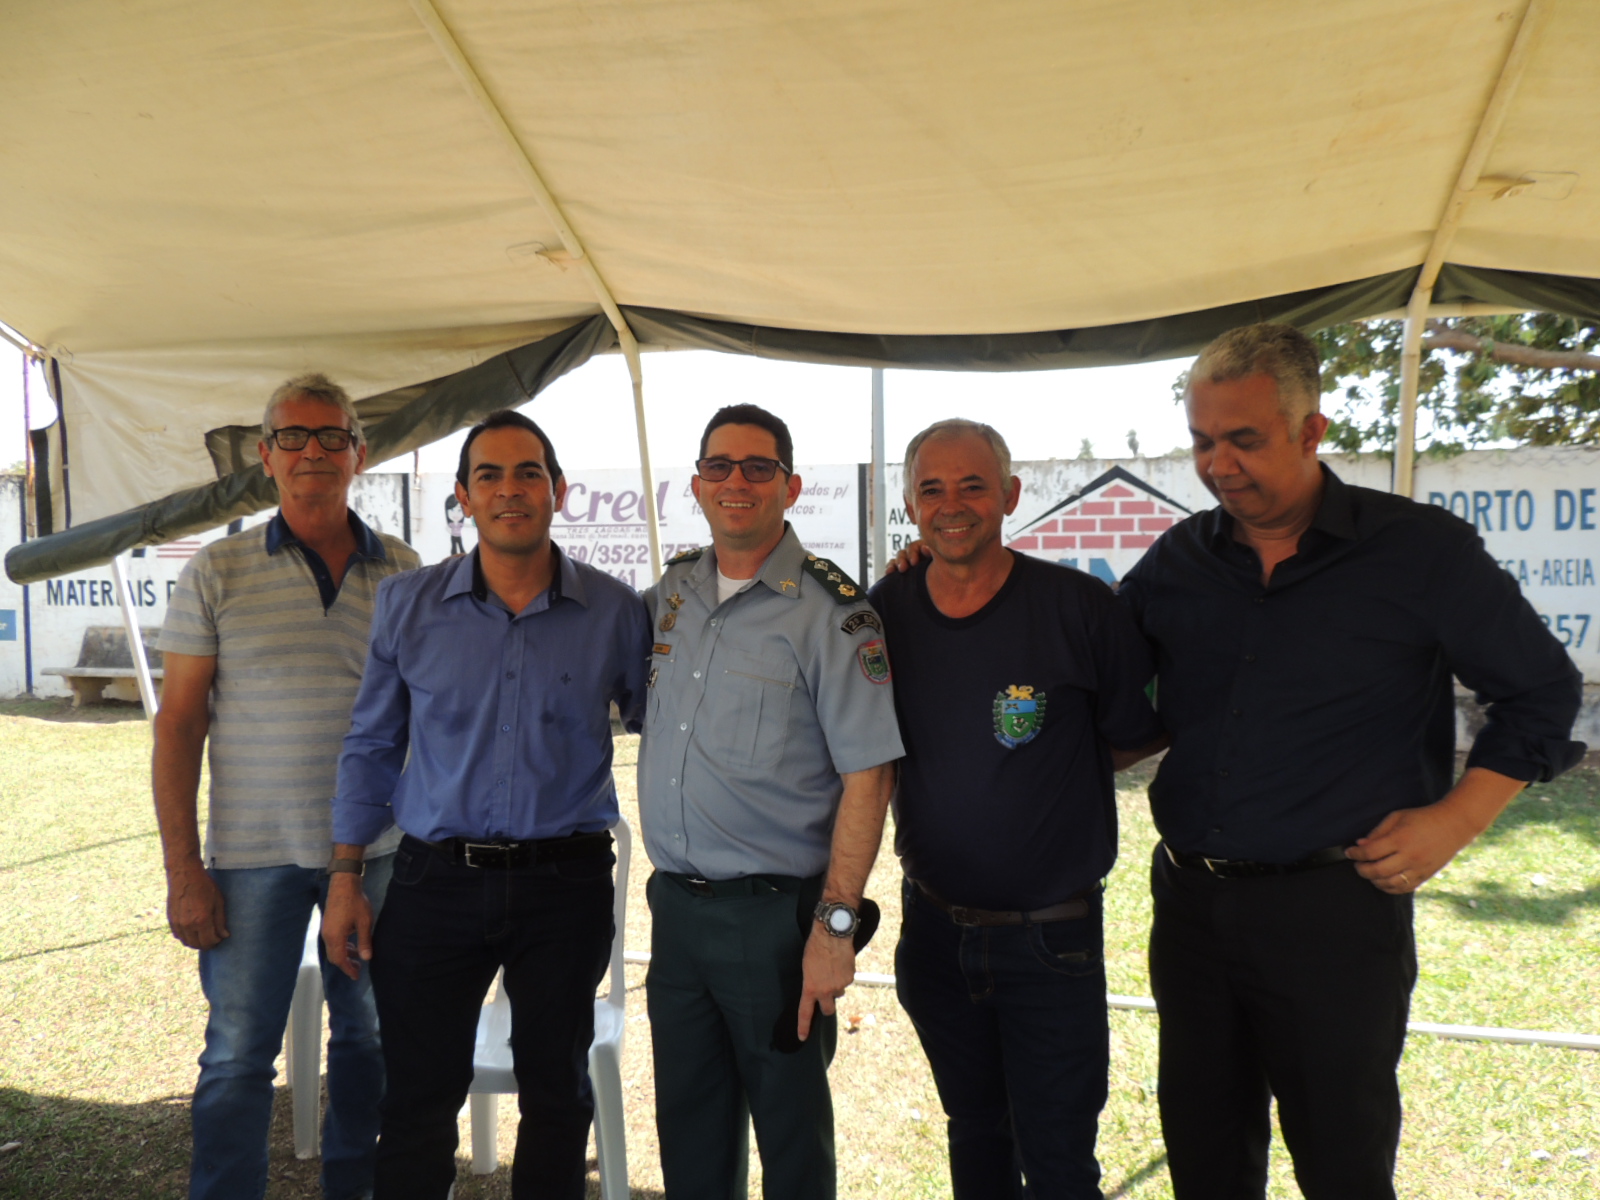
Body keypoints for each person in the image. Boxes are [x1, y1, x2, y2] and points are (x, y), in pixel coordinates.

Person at [1116, 322, 1586, 1199]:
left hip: (1335, 915)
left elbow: (1542, 693)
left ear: (1310, 432)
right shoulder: (1180, 559)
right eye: (1203, 441)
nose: (1219, 465)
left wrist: (1457, 818)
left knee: (1343, 1164)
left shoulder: (1420, 551)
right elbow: (1092, 665)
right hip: (1191, 907)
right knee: (1205, 1161)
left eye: (1244, 439)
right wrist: (948, 565)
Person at [323, 408, 650, 1200]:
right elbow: (372, 743)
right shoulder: (407, 604)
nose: (510, 490)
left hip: (565, 886)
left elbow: (665, 725)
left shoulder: (615, 612)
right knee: (416, 1100)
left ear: (559, 490)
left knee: (558, 1097)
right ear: (463, 497)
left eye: (528, 473)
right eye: (489, 476)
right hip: (434, 884)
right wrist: (345, 874)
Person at [868, 418, 1165, 1199]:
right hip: (935, 933)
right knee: (975, 1133)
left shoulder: (1078, 606)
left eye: (972, 486)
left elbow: (1133, 734)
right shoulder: (888, 607)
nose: (951, 505)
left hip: (1050, 941)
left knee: (1060, 1164)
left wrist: (1049, 774)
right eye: (932, 489)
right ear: (911, 505)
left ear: (1010, 494)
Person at [153, 372, 420, 1200]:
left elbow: (430, 715)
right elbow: (178, 727)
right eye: (293, 437)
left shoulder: (404, 572)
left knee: (369, 1043)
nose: (313, 452)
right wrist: (183, 870)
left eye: (332, 436)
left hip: (376, 853)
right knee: (238, 1056)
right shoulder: (217, 570)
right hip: (250, 858)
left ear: (359, 454)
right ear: (266, 457)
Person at [638, 403, 904, 1200]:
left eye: (758, 467)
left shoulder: (834, 611)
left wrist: (835, 927)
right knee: (690, 1138)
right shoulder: (675, 590)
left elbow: (869, 776)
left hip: (773, 924)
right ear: (696, 484)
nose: (737, 481)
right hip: (675, 914)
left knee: (791, 1145)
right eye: (719, 466)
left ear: (790, 487)